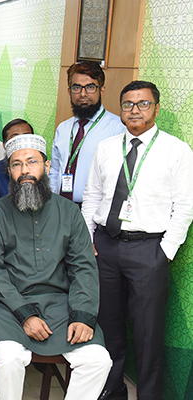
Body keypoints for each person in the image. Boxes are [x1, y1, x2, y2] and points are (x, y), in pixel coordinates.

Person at [82, 81, 193, 400]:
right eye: (128, 104)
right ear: (120, 109)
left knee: (148, 333)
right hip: (105, 248)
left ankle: (148, 395)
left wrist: (165, 252)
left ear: (156, 108)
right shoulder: (106, 147)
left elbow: (185, 206)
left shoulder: (176, 150)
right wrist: (89, 239)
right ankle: (112, 389)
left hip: (149, 251)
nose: (135, 110)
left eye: (143, 104)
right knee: (108, 326)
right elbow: (92, 196)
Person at [0, 134, 112, 400]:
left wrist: (83, 315)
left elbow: (83, 267)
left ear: (47, 165)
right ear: (9, 170)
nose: (25, 170)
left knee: (99, 360)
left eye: (32, 162)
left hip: (60, 305)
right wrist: (25, 315)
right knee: (8, 359)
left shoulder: (69, 211)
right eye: (16, 164)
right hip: (8, 307)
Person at [49, 61, 123, 205]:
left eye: (90, 87)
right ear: (69, 91)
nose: (83, 94)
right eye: (77, 87)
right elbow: (55, 170)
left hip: (94, 208)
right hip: (60, 206)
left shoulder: (117, 129)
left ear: (102, 90)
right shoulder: (63, 128)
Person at [0, 119, 34, 199]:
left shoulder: (39, 170)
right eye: (15, 138)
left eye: (26, 137)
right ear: (4, 145)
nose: (21, 142)